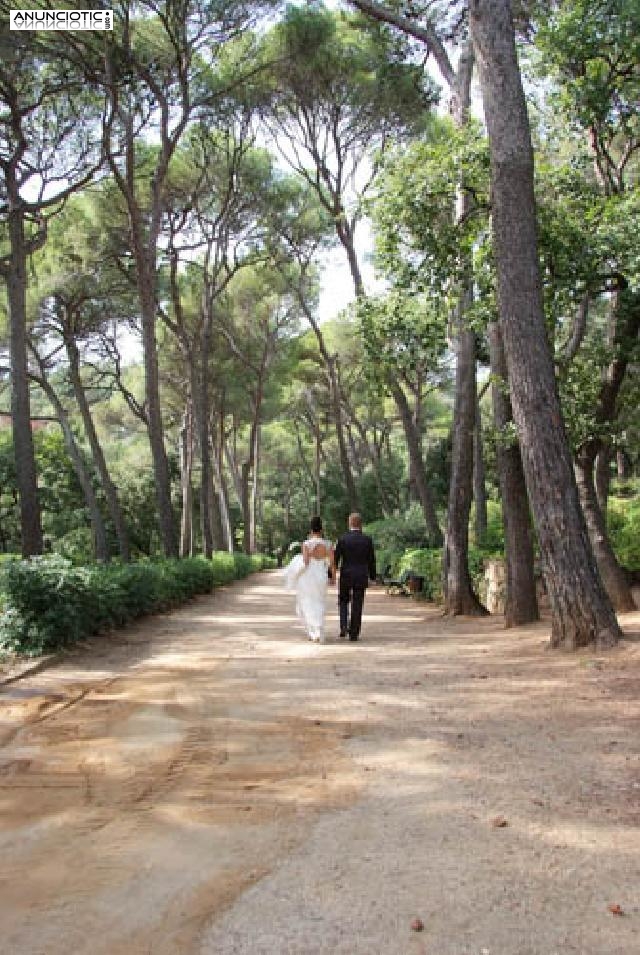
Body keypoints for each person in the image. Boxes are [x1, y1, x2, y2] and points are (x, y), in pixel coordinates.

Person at [284, 516, 335, 643]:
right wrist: (333, 577)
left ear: (311, 530)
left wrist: (295, 569)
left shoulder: (306, 544)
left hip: (308, 576)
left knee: (307, 602)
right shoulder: (328, 544)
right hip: (321, 575)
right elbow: (332, 563)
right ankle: (319, 629)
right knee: (319, 601)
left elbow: (305, 562)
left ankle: (314, 632)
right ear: (321, 529)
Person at [334, 512, 376, 641]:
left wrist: (331, 573)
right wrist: (372, 576)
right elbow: (371, 560)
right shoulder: (367, 540)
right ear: (361, 524)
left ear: (349, 523)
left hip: (346, 574)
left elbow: (336, 558)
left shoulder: (343, 539)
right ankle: (354, 633)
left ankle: (343, 626)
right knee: (357, 603)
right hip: (360, 575)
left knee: (343, 601)